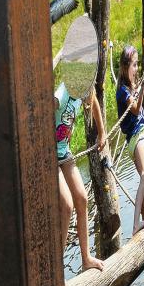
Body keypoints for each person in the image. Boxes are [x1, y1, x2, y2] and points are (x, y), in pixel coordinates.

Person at [55, 77, 106, 271]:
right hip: (49, 154)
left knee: (82, 198)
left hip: (64, 151)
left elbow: (93, 102)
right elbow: (49, 104)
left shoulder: (83, 93)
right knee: (67, 205)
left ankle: (86, 259)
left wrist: (101, 133)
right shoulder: (65, 90)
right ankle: (57, 270)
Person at [115, 45, 144, 234]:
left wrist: (140, 86)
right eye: (134, 65)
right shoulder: (123, 91)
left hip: (135, 137)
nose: (136, 69)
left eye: (137, 65)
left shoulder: (129, 87)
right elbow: (135, 109)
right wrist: (143, 86)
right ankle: (136, 224)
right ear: (126, 66)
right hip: (136, 135)